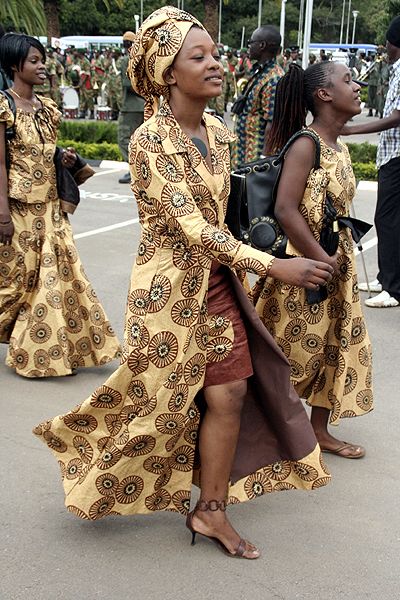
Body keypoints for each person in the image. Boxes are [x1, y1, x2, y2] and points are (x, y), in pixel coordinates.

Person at [33, 7, 334, 560]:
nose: (216, 63)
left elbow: (223, 217)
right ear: (169, 73)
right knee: (155, 403)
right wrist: (275, 266)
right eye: (199, 57)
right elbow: (192, 227)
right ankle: (87, 461)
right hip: (167, 294)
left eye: (216, 53)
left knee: (231, 393)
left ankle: (210, 509)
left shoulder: (217, 131)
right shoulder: (150, 139)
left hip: (218, 285)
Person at [256, 61, 373, 458]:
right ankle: (268, 432)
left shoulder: (336, 143)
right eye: (347, 80)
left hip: (335, 263)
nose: (357, 86)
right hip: (305, 267)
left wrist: (336, 259)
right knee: (288, 350)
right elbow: (287, 209)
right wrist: (322, 259)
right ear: (324, 95)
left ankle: (318, 430)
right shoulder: (306, 144)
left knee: (336, 345)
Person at [0, 33, 121, 377]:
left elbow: (41, 150)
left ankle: (43, 355)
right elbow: (0, 165)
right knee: (17, 283)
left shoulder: (48, 109)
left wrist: (62, 156)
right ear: (14, 65)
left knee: (57, 280)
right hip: (19, 209)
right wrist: (3, 214)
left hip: (51, 208)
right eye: (34, 61)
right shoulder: (3, 108)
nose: (43, 66)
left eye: (43, 59)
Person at [342, 17, 400, 308]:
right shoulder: (396, 68)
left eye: (389, 42)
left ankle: (393, 288)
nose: (386, 48)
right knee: (387, 219)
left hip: (397, 156)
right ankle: (386, 277)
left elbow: (398, 115)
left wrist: (351, 129)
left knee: (387, 220)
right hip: (392, 154)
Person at [231, 25, 284, 168]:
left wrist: (264, 160)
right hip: (244, 154)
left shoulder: (274, 79)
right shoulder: (261, 72)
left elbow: (272, 124)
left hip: (255, 160)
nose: (248, 47)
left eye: (251, 42)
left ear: (262, 45)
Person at [117, 31, 145, 185]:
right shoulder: (143, 60)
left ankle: (134, 170)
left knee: (123, 139)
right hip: (144, 106)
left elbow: (128, 84)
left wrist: (141, 93)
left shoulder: (126, 60)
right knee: (141, 141)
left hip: (131, 106)